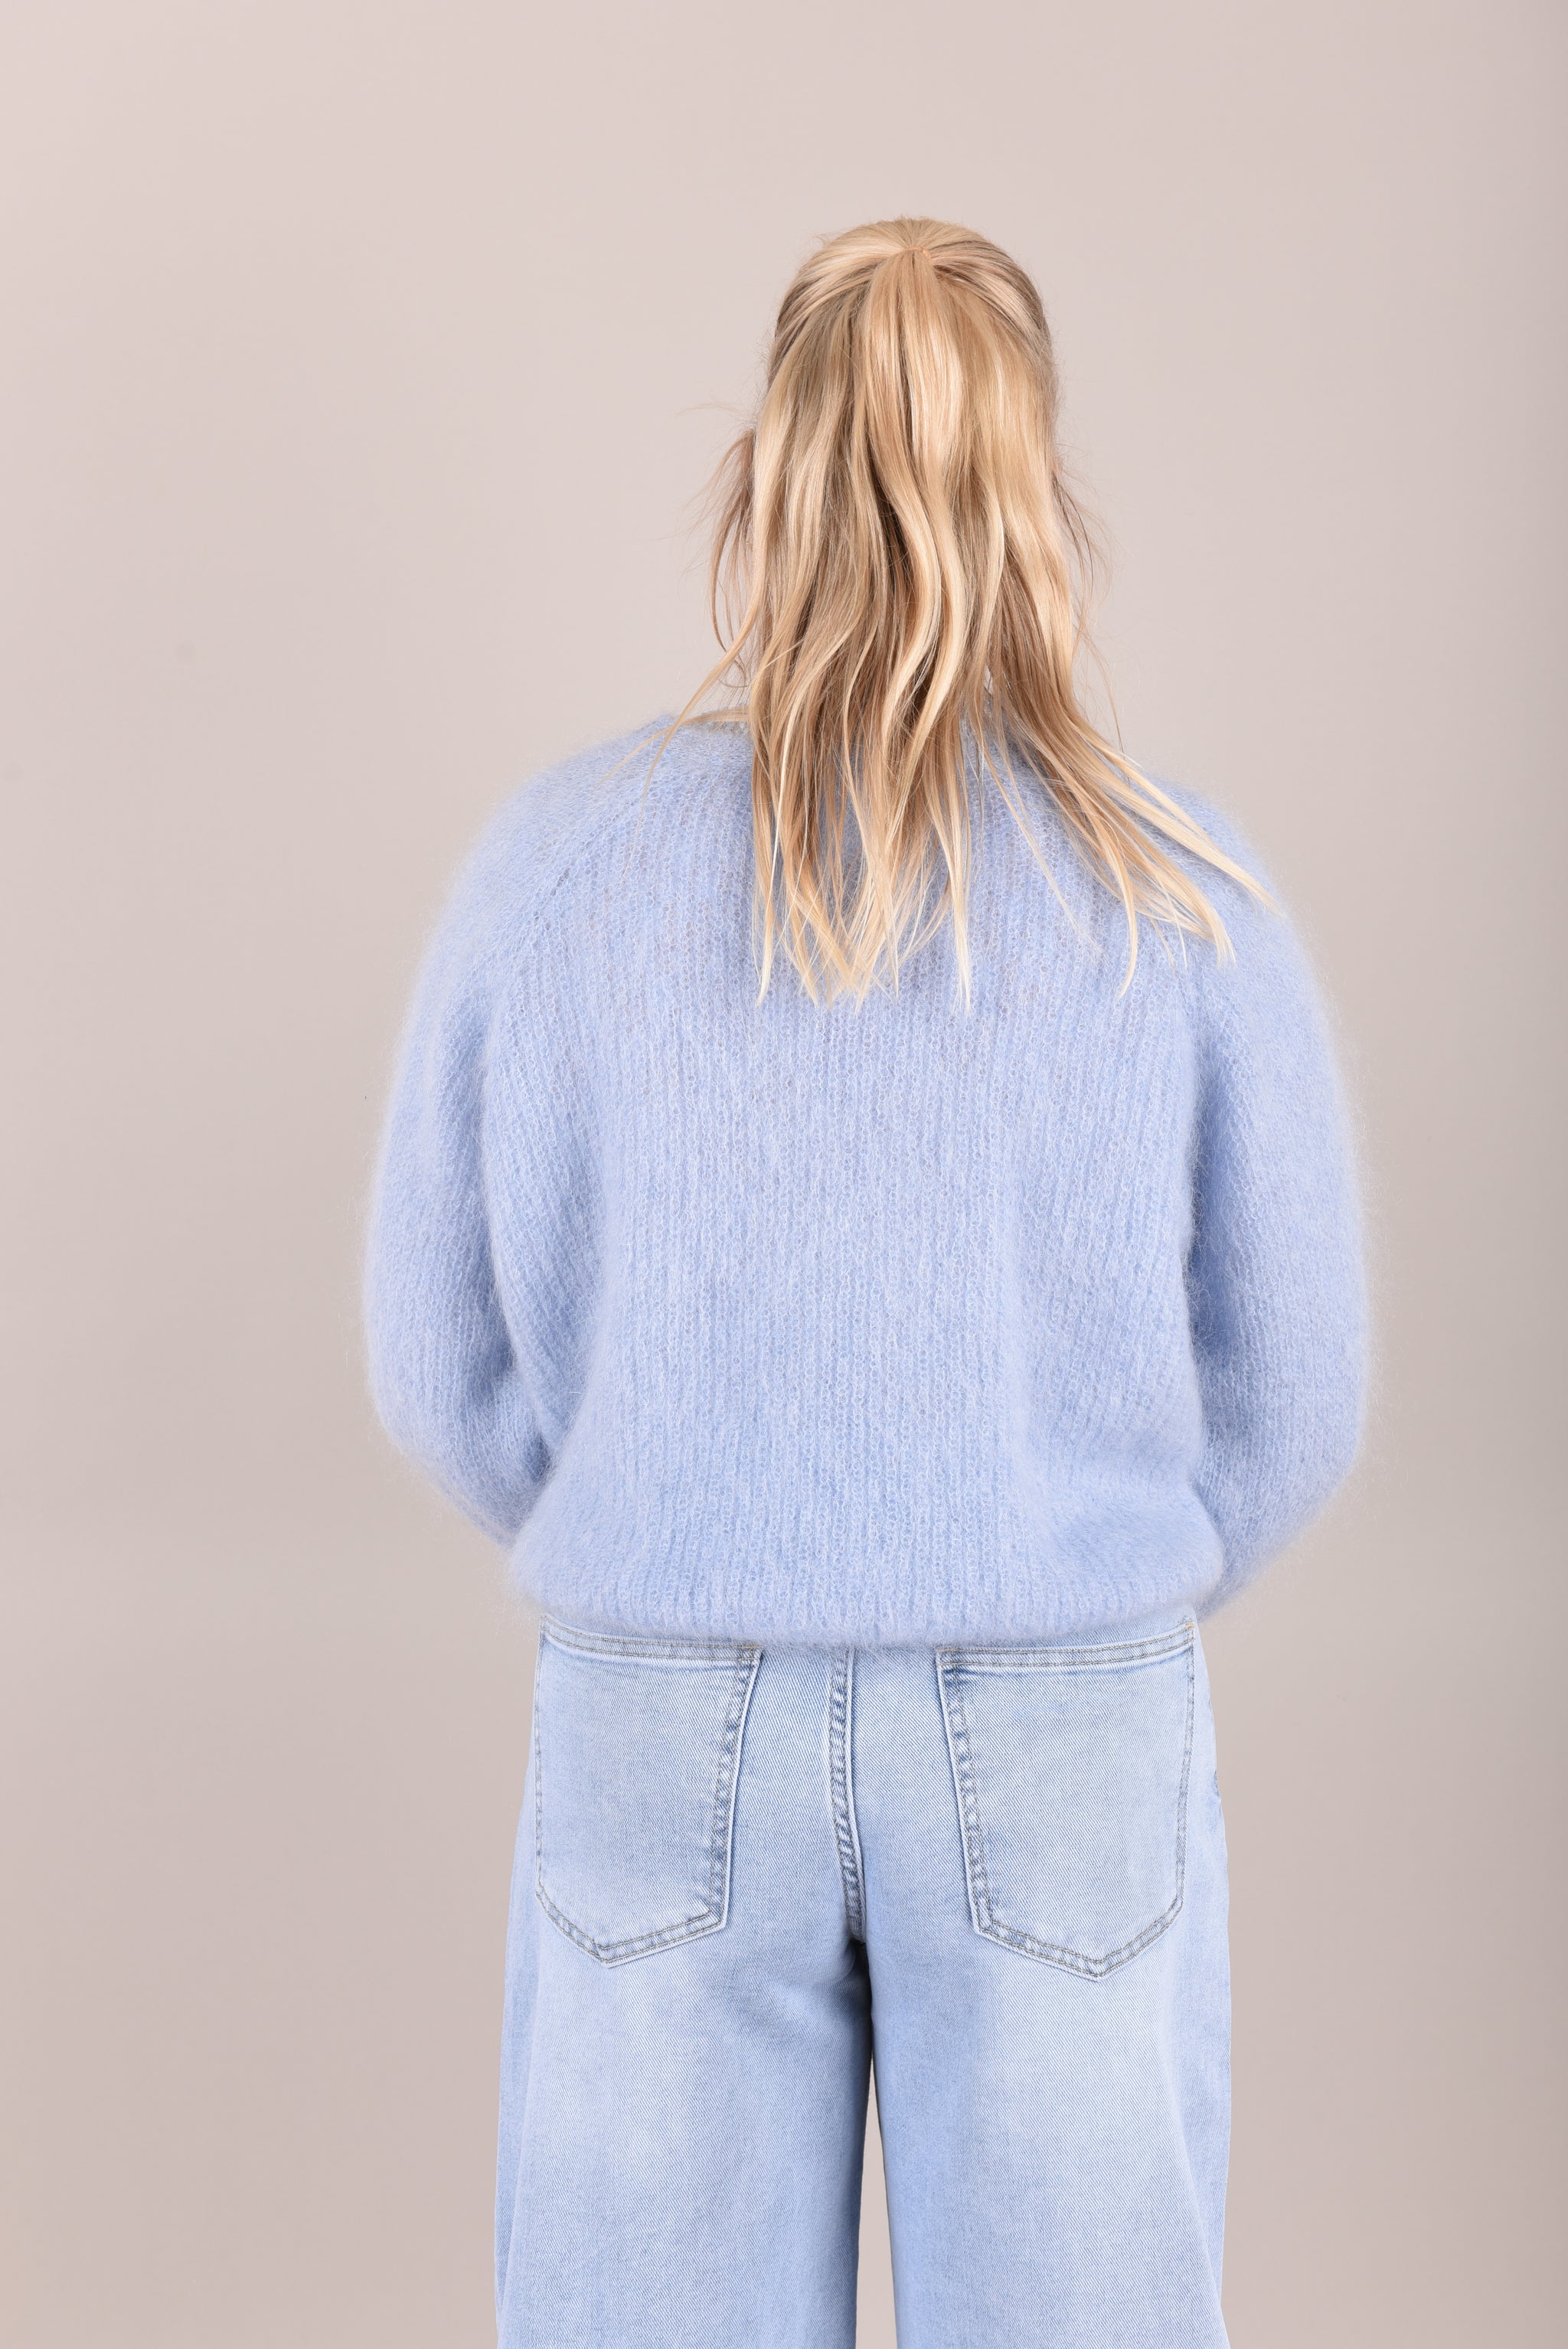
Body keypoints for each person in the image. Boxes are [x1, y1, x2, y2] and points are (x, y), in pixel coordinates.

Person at [362, 217, 1366, 2349]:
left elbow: (434, 1354)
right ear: (1040, 494)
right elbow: (1301, 1393)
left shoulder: (556, 866)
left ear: (762, 476)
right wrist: (1081, 1549)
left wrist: (658, 1505)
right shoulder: (1182, 889)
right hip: (1066, 1700)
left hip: (668, 1698)